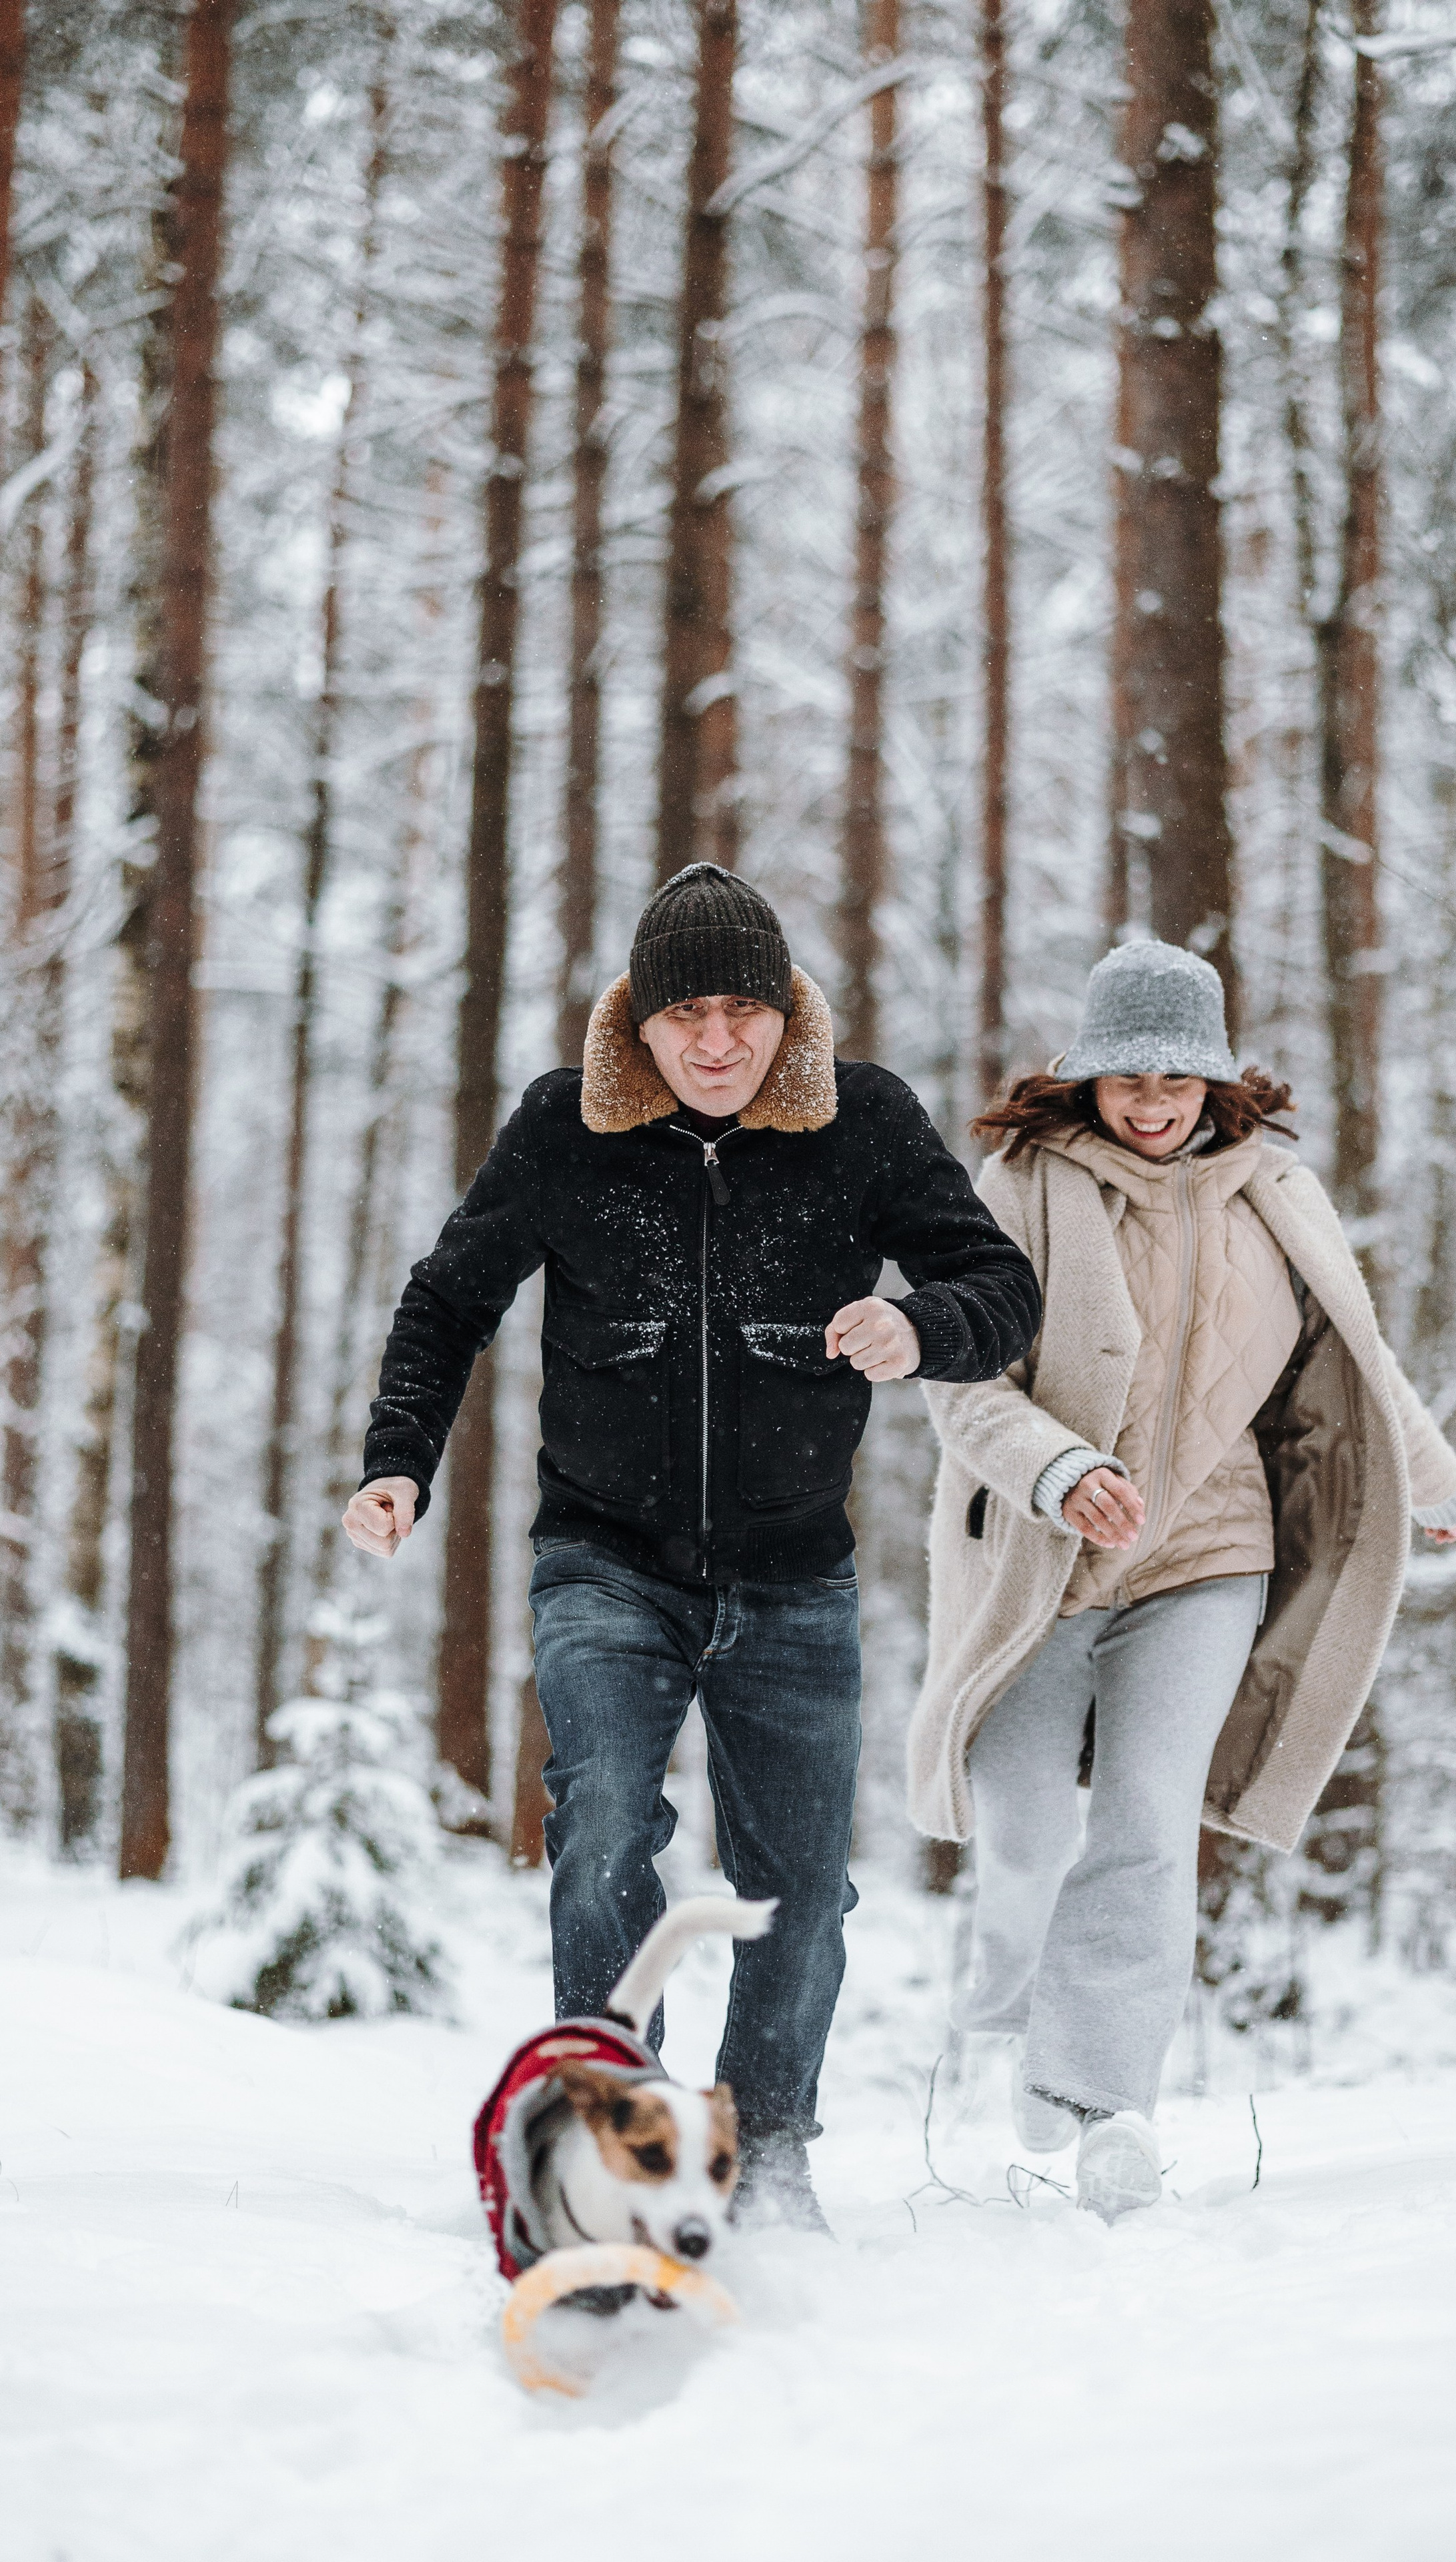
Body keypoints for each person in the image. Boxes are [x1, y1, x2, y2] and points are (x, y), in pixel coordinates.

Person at [343, 863, 1040, 2228]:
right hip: (605, 1560)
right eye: (683, 1019)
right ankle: (609, 2136)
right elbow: (448, 1301)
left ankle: (767, 2156)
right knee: (601, 1820)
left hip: (792, 1574)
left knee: (796, 1889)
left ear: (784, 1015)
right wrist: (395, 1465)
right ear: (635, 1027)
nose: (715, 1044)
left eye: (743, 1012)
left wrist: (919, 1328)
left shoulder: (864, 1121)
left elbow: (996, 1286)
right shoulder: (564, 1129)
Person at [906, 939, 1456, 2222]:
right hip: (1043, 1561)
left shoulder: (1275, 1191)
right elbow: (961, 1381)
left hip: (1208, 1552)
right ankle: (1013, 2016)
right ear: (1089, 1078)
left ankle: (1105, 2104)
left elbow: (1355, 1349)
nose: (1152, 1100)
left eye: (1178, 1075)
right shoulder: (1021, 1187)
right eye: (1126, 1076)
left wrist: (1431, 1480)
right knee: (1025, 1820)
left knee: (1151, 1823)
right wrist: (1057, 1469)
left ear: (1217, 1081)